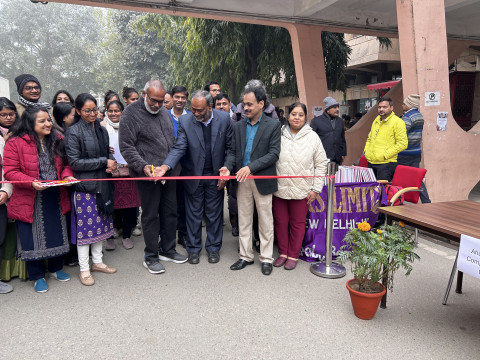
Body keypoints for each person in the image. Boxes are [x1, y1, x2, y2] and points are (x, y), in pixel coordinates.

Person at [4, 106, 76, 293]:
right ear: (30, 123)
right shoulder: (15, 142)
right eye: (42, 121)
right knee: (31, 238)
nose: (48, 124)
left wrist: (67, 177)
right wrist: (31, 182)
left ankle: (55, 268)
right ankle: (37, 276)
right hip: (30, 197)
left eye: (49, 120)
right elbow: (10, 172)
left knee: (57, 232)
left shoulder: (58, 139)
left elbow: (67, 164)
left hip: (55, 195)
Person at [119, 80, 187, 275]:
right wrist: (144, 167)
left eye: (161, 101)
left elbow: (171, 142)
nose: (157, 105)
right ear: (143, 94)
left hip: (168, 173)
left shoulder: (163, 112)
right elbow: (126, 147)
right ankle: (151, 256)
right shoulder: (130, 114)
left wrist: (166, 167)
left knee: (170, 212)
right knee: (150, 216)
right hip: (147, 175)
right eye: (154, 100)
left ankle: (168, 249)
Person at [158, 90, 232, 264]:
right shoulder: (186, 120)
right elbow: (179, 147)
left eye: (200, 110)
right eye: (193, 110)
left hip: (216, 174)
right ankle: (193, 249)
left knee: (214, 214)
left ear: (210, 107)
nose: (196, 113)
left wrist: (226, 168)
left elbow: (230, 148)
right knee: (193, 214)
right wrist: (165, 166)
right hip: (193, 175)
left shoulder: (224, 119)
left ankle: (213, 248)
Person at [220, 85, 281, 276]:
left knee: (265, 220)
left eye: (249, 104)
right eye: (244, 104)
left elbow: (274, 154)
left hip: (261, 178)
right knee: (244, 219)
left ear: (261, 104)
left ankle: (266, 258)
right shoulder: (238, 126)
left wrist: (251, 167)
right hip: (241, 179)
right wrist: (227, 167)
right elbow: (233, 152)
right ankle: (245, 256)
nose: (245, 108)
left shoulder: (273, 125)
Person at [65, 93, 117, 286]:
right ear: (78, 111)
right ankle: (84, 269)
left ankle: (97, 262)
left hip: (103, 183)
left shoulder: (102, 130)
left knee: (101, 225)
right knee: (85, 231)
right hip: (84, 187)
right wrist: (104, 161)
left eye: (94, 109)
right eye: (87, 111)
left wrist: (110, 165)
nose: (93, 113)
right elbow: (75, 163)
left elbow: (105, 156)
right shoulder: (73, 132)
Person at [272, 102, 328, 270]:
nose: (296, 117)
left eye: (300, 115)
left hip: (302, 188)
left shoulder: (313, 137)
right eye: (293, 114)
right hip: (279, 187)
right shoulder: (279, 134)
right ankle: (282, 252)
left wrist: (315, 189)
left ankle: (293, 255)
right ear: (288, 116)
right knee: (280, 222)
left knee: (297, 223)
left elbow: (321, 163)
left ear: (305, 117)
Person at [104, 100, 141, 250]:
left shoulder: (130, 125)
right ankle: (110, 236)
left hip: (129, 171)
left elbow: (138, 145)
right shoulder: (101, 128)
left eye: (117, 111)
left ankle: (127, 235)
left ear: (122, 111)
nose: (114, 114)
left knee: (130, 205)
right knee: (111, 205)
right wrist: (105, 150)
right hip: (110, 173)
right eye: (110, 111)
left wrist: (131, 160)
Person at [364, 97, 408, 182]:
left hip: (386, 164)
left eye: (384, 107)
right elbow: (370, 138)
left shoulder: (398, 122)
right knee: (371, 191)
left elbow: (403, 144)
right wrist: (366, 152)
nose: (381, 109)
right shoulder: (376, 120)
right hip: (371, 161)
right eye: (379, 107)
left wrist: (385, 155)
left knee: (383, 191)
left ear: (391, 108)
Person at [397, 94, 431, 203]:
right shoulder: (419, 115)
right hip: (415, 152)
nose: (402, 105)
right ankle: (426, 201)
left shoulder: (408, 117)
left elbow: (401, 132)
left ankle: (396, 200)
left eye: (405, 103)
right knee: (417, 178)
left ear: (410, 105)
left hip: (404, 153)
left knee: (396, 176)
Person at [168, 86, 190, 247]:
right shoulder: (164, 116)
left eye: (183, 97)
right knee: (169, 202)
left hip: (187, 167)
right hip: (168, 167)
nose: (180, 100)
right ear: (172, 98)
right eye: (177, 97)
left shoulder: (191, 116)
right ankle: (167, 236)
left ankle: (183, 234)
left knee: (184, 203)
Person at [0, 98, 17, 293]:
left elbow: (8, 169)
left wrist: (5, 190)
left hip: (5, 191)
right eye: (3, 114)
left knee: (2, 237)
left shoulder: (19, 132)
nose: (8, 118)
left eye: (11, 114)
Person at [215, 93, 238, 236]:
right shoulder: (212, 120)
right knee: (218, 195)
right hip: (218, 165)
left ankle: (235, 224)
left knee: (234, 196)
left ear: (230, 105)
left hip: (234, 165)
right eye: (219, 104)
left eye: (224, 104)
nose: (221, 106)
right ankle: (219, 223)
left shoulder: (237, 120)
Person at [310, 96, 347, 165]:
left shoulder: (340, 121)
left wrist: (343, 153)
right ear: (328, 109)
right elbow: (311, 140)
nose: (337, 109)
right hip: (322, 157)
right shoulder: (316, 121)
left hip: (337, 157)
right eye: (335, 107)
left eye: (337, 107)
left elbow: (342, 138)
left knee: (336, 175)